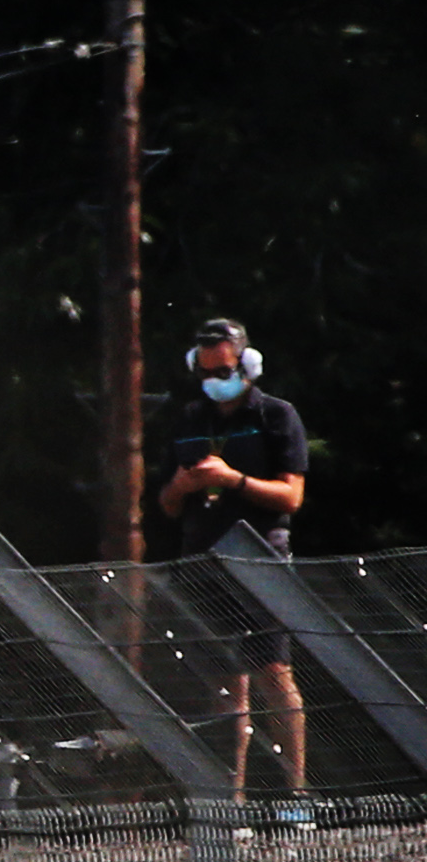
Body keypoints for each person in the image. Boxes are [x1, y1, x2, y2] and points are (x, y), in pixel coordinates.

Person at [158, 315, 312, 819]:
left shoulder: (276, 416)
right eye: (205, 372)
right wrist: (181, 488)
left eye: (223, 369)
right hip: (202, 558)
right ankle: (231, 804)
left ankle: (295, 798)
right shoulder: (187, 420)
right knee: (224, 682)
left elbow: (291, 494)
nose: (214, 380)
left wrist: (234, 479)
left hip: (261, 556)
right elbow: (166, 505)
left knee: (273, 670)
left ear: (247, 365)